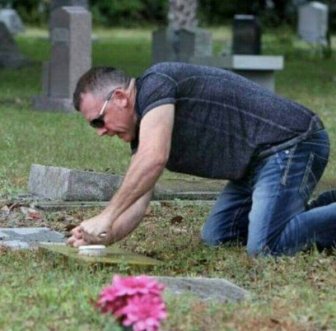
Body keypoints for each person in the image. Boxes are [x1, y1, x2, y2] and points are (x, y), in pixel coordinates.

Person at [67, 62, 336, 256]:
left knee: (266, 246)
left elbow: (154, 158)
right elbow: (138, 201)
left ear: (120, 98)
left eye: (98, 120)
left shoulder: (156, 84)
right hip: (254, 164)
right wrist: (106, 234)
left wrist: (106, 216)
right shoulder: (144, 131)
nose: (101, 131)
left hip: (293, 143)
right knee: (218, 237)